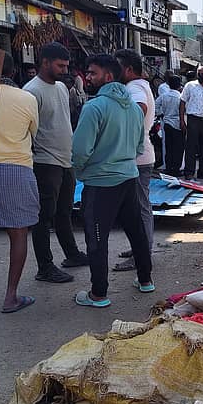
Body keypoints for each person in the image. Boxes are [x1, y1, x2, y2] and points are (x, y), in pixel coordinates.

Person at [72, 54, 153, 308]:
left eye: (93, 73)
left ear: (108, 76)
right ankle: (145, 280)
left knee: (97, 239)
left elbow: (80, 150)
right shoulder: (131, 106)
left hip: (101, 182)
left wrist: (81, 172)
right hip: (129, 176)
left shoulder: (94, 107)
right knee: (136, 231)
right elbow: (140, 145)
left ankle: (98, 293)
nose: (88, 77)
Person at [23, 42, 88, 284]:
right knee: (44, 217)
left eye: (66, 66)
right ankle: (45, 267)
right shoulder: (31, 91)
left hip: (64, 160)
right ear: (45, 62)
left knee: (64, 212)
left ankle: (71, 254)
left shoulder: (61, 87)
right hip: (44, 162)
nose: (64, 70)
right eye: (60, 65)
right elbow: (28, 131)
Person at [0, 53, 39, 313]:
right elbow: (32, 132)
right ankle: (10, 296)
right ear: (14, 72)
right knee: (18, 234)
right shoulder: (27, 98)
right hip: (16, 168)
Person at [113, 49, 156, 273]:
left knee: (139, 209)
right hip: (139, 156)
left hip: (138, 158)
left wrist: (124, 133)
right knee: (137, 208)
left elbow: (140, 108)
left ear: (128, 70)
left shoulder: (134, 87)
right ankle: (139, 248)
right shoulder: (139, 86)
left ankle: (142, 254)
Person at [156, 75, 184, 177]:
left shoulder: (164, 96)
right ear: (179, 85)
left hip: (167, 123)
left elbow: (156, 105)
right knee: (178, 148)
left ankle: (168, 168)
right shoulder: (181, 97)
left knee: (168, 147)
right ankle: (176, 169)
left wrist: (161, 113)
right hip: (178, 124)